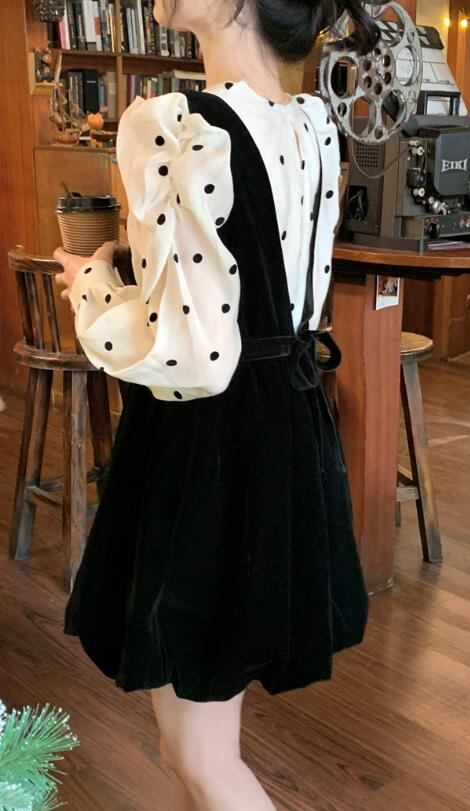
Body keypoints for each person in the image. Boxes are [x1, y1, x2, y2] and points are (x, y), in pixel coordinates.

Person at [53, 1, 379, 808]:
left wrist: (90, 288)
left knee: (202, 755)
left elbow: (191, 352)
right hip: (285, 425)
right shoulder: (311, 125)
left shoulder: (178, 125)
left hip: (209, 443)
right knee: (187, 741)